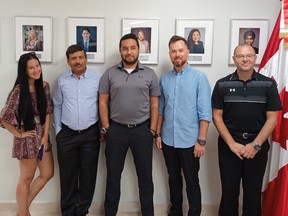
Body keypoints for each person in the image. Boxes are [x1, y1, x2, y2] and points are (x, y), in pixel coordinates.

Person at [211, 43, 282, 216]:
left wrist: (255, 145)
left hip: (257, 146)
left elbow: (272, 118)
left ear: (255, 59)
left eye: (249, 55)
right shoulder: (222, 84)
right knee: (229, 192)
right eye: (240, 56)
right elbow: (216, 117)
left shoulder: (268, 85)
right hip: (229, 146)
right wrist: (232, 144)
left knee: (252, 192)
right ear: (234, 59)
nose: (245, 59)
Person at [99, 33, 160, 216]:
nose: (129, 52)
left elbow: (155, 103)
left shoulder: (149, 74)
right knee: (113, 177)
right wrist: (106, 128)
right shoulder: (109, 73)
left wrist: (152, 130)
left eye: (132, 48)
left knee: (145, 177)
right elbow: (102, 102)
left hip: (142, 130)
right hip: (116, 130)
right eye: (125, 48)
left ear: (138, 49)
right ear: (120, 50)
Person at [156, 35, 211, 216]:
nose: (177, 54)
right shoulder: (164, 80)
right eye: (173, 51)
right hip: (168, 139)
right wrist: (157, 135)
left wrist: (201, 141)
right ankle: (176, 211)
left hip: (190, 141)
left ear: (187, 52)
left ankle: (194, 213)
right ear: (170, 54)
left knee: (192, 181)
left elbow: (205, 113)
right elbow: (161, 110)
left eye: (180, 50)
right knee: (173, 179)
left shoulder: (199, 78)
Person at [0, 52, 54, 216]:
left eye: (37, 66)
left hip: (42, 137)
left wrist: (45, 137)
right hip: (27, 138)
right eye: (31, 68)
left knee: (47, 173)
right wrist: (18, 133)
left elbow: (47, 112)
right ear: (24, 71)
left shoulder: (43, 86)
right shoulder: (18, 91)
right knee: (26, 178)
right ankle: (23, 213)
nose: (36, 70)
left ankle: (21, 211)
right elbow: (4, 118)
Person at [53, 44, 102, 216]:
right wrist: (58, 131)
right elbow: (57, 105)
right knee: (67, 176)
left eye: (81, 57)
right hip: (67, 134)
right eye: (74, 58)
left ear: (86, 59)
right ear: (68, 61)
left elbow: (102, 104)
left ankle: (81, 211)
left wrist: (102, 129)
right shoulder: (61, 80)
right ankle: (67, 212)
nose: (78, 61)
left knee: (88, 176)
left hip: (90, 134)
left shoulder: (97, 78)